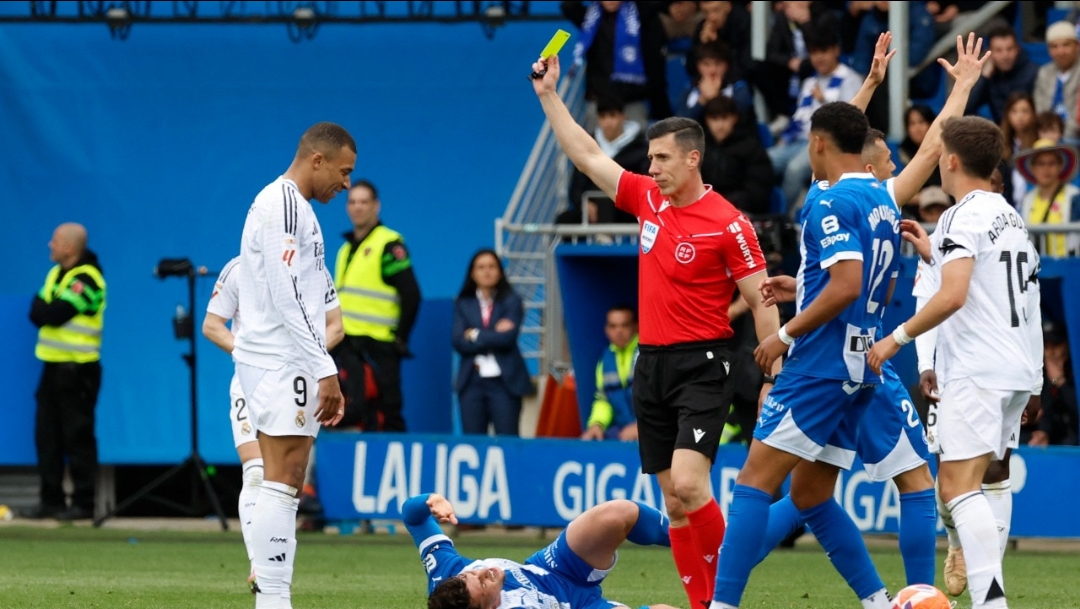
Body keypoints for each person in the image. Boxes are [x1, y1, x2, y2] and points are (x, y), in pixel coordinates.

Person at [530, 50, 780, 609]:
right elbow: (589, 155)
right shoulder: (647, 200)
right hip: (653, 365)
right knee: (673, 502)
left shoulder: (730, 224)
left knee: (693, 486)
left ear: (693, 159)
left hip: (704, 363)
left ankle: (725, 600)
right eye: (649, 158)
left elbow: (762, 303)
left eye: (662, 158)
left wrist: (773, 375)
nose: (652, 167)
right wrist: (549, 96)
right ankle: (702, 605)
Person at [747, 35, 988, 591]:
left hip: (842, 358)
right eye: (887, 156)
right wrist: (901, 86)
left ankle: (732, 575)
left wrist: (902, 86)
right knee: (883, 484)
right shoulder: (866, 193)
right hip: (855, 360)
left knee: (807, 490)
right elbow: (893, 143)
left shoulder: (853, 197)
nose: (897, 162)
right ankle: (914, 595)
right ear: (870, 159)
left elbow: (900, 144)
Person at [712, 101, 899, 609]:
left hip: (819, 363)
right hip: (861, 364)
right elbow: (865, 282)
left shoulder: (830, 202)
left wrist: (786, 335)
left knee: (753, 483)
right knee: (812, 495)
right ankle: (878, 601)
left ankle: (721, 605)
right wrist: (804, 285)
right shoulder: (882, 199)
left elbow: (846, 285)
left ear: (816, 143)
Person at [869, 116, 1045, 609]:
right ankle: (990, 594)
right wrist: (1034, 382)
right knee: (990, 478)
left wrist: (895, 340)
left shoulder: (959, 215)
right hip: (1014, 370)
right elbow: (1018, 300)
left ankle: (992, 602)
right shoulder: (1012, 218)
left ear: (948, 160)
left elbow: (953, 296)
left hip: (977, 369)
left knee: (955, 486)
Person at [232, 121, 353, 609]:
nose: (346, 184)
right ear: (317, 159)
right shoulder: (282, 202)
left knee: (281, 474)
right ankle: (274, 600)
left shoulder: (296, 207)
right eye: (343, 172)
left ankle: (273, 595)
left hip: (280, 358)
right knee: (283, 476)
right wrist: (323, 365)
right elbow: (287, 293)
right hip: (281, 359)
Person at [911, 160, 1043, 599]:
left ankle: (989, 589)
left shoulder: (973, 219)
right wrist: (924, 361)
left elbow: (1025, 304)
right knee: (952, 485)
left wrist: (894, 341)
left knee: (985, 473)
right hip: (969, 368)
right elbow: (930, 295)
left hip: (981, 369)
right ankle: (961, 546)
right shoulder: (990, 227)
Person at [202, 256, 344, 591]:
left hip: (300, 382)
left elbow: (335, 325)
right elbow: (212, 325)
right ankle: (260, 566)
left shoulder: (314, 268)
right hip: (252, 383)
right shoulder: (239, 268)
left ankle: (274, 564)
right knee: (255, 471)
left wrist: (306, 354)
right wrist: (251, 356)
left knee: (288, 481)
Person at [404, 493, 677, 609]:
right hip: (578, 606)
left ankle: (699, 539)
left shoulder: (447, 575)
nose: (486, 571)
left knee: (617, 514)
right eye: (485, 585)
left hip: (553, 568)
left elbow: (413, 518)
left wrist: (430, 500)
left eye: (474, 574)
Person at [24, 222, 105, 521]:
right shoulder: (57, 274)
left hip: (78, 369)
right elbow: (35, 311)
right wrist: (45, 308)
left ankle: (84, 503)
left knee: (78, 436)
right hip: (51, 366)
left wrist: (45, 307)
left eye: (55, 240)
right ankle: (51, 501)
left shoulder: (89, 278)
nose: (50, 244)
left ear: (70, 247)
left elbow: (52, 313)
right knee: (47, 435)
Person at [333, 179, 421, 432]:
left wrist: (400, 339)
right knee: (351, 411)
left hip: (379, 346)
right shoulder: (345, 249)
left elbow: (411, 294)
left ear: (376, 206)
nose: (357, 207)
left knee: (388, 410)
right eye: (352, 202)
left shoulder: (388, 244)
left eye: (364, 201)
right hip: (347, 345)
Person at [768, 21, 863, 214]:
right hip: (798, 140)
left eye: (823, 51)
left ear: (836, 50)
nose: (818, 58)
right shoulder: (810, 81)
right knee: (764, 160)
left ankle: (779, 220)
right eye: (813, 52)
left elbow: (852, 117)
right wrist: (784, 137)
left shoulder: (850, 78)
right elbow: (800, 117)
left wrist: (823, 100)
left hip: (827, 144)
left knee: (794, 169)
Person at [451, 249, 533, 436]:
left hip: (504, 383)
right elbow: (457, 341)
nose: (486, 271)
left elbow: (507, 339)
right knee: (473, 444)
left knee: (507, 441)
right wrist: (493, 333)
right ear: (472, 273)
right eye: (481, 267)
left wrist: (475, 334)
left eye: (491, 266)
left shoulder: (512, 301)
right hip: (471, 382)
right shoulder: (463, 303)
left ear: (499, 271)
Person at [562, 1, 673, 130]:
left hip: (631, 101)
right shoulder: (589, 18)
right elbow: (568, 6)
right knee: (595, 147)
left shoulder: (639, 13)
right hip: (599, 102)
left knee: (637, 148)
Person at [560, 94, 649, 227]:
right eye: (603, 117)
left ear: (622, 116)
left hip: (627, 210)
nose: (607, 122)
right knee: (564, 220)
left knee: (607, 192)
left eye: (612, 115)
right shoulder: (588, 144)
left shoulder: (641, 148)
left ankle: (605, 241)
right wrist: (584, 204)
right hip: (592, 210)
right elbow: (576, 187)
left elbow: (646, 183)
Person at [700, 95, 773, 215]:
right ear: (707, 120)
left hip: (740, 212)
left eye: (724, 118)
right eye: (714, 119)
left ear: (734, 118)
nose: (719, 125)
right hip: (706, 209)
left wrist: (722, 205)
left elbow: (758, 191)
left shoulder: (752, 148)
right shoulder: (700, 148)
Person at [581, 305, 639, 441]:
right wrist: (597, 424)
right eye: (613, 326)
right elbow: (604, 400)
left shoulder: (649, 354)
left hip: (653, 430)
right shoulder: (605, 361)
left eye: (624, 325)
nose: (618, 331)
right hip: (623, 432)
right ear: (606, 330)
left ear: (636, 327)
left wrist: (643, 426)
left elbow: (662, 400)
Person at [1014, 138, 1080, 258]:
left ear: (1060, 166)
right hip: (1037, 270)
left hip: (1068, 267)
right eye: (1040, 164)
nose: (1046, 169)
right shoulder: (1027, 200)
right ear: (1032, 168)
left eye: (1051, 163)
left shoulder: (1074, 197)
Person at [964, 22, 1039, 124]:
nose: (1005, 55)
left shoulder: (1033, 72)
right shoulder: (990, 77)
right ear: (989, 52)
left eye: (1010, 49)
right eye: (999, 50)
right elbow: (966, 108)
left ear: (1018, 49)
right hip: (1001, 133)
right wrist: (984, 76)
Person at [1034, 21, 1080, 142]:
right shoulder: (1045, 72)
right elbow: (1040, 109)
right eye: (1054, 46)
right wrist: (1048, 132)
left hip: (1074, 136)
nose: (1061, 51)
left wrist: (1059, 136)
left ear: (1077, 45)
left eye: (1066, 45)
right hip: (1048, 135)